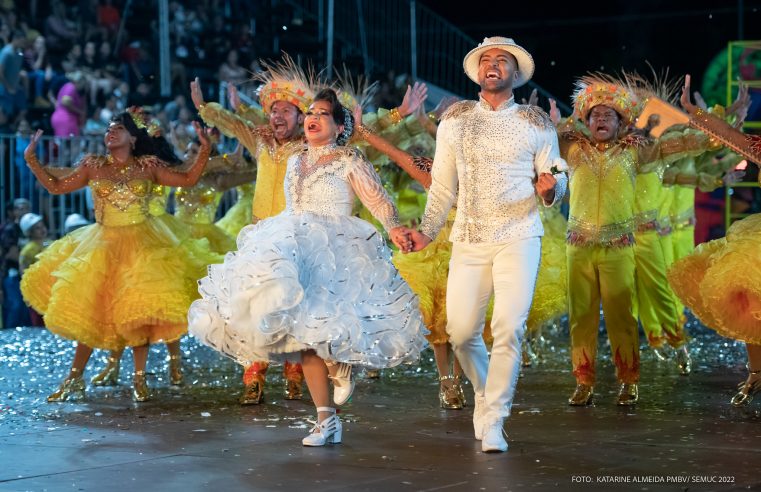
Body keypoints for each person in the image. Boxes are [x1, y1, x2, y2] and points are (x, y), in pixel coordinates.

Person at [189, 88, 427, 446]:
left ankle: (342, 362)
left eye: (323, 114)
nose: (313, 118)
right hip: (294, 243)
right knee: (305, 339)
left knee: (326, 328)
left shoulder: (349, 159)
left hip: (337, 250)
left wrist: (394, 228)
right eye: (311, 112)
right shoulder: (296, 158)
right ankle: (326, 420)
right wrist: (213, 108)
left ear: (338, 125)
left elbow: (377, 199)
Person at [399, 37, 568, 453]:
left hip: (519, 235)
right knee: (459, 333)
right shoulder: (455, 119)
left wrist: (551, 190)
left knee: (508, 328)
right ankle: (487, 392)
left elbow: (558, 175)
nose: (492, 65)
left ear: (514, 74)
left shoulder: (535, 121)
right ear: (478, 72)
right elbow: (441, 187)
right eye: (486, 60)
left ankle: (494, 417)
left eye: (501, 61)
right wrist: (427, 231)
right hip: (469, 238)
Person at [20, 108, 211, 402]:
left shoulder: (148, 166)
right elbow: (56, 187)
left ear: (133, 139)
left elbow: (187, 180)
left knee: (138, 312)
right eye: (108, 129)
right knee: (91, 310)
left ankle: (139, 378)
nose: (110, 133)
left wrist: (205, 149)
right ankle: (74, 378)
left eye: (117, 129)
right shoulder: (93, 166)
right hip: (101, 246)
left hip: (141, 247)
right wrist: (31, 159)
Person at [191, 55, 314, 404]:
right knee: (250, 304)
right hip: (259, 234)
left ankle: (294, 369)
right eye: (273, 110)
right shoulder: (260, 139)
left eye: (285, 111)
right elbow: (231, 124)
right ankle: (254, 374)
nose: (277, 116)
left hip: (295, 236)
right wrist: (205, 108)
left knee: (290, 305)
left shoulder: (311, 145)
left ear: (300, 116)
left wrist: (399, 118)